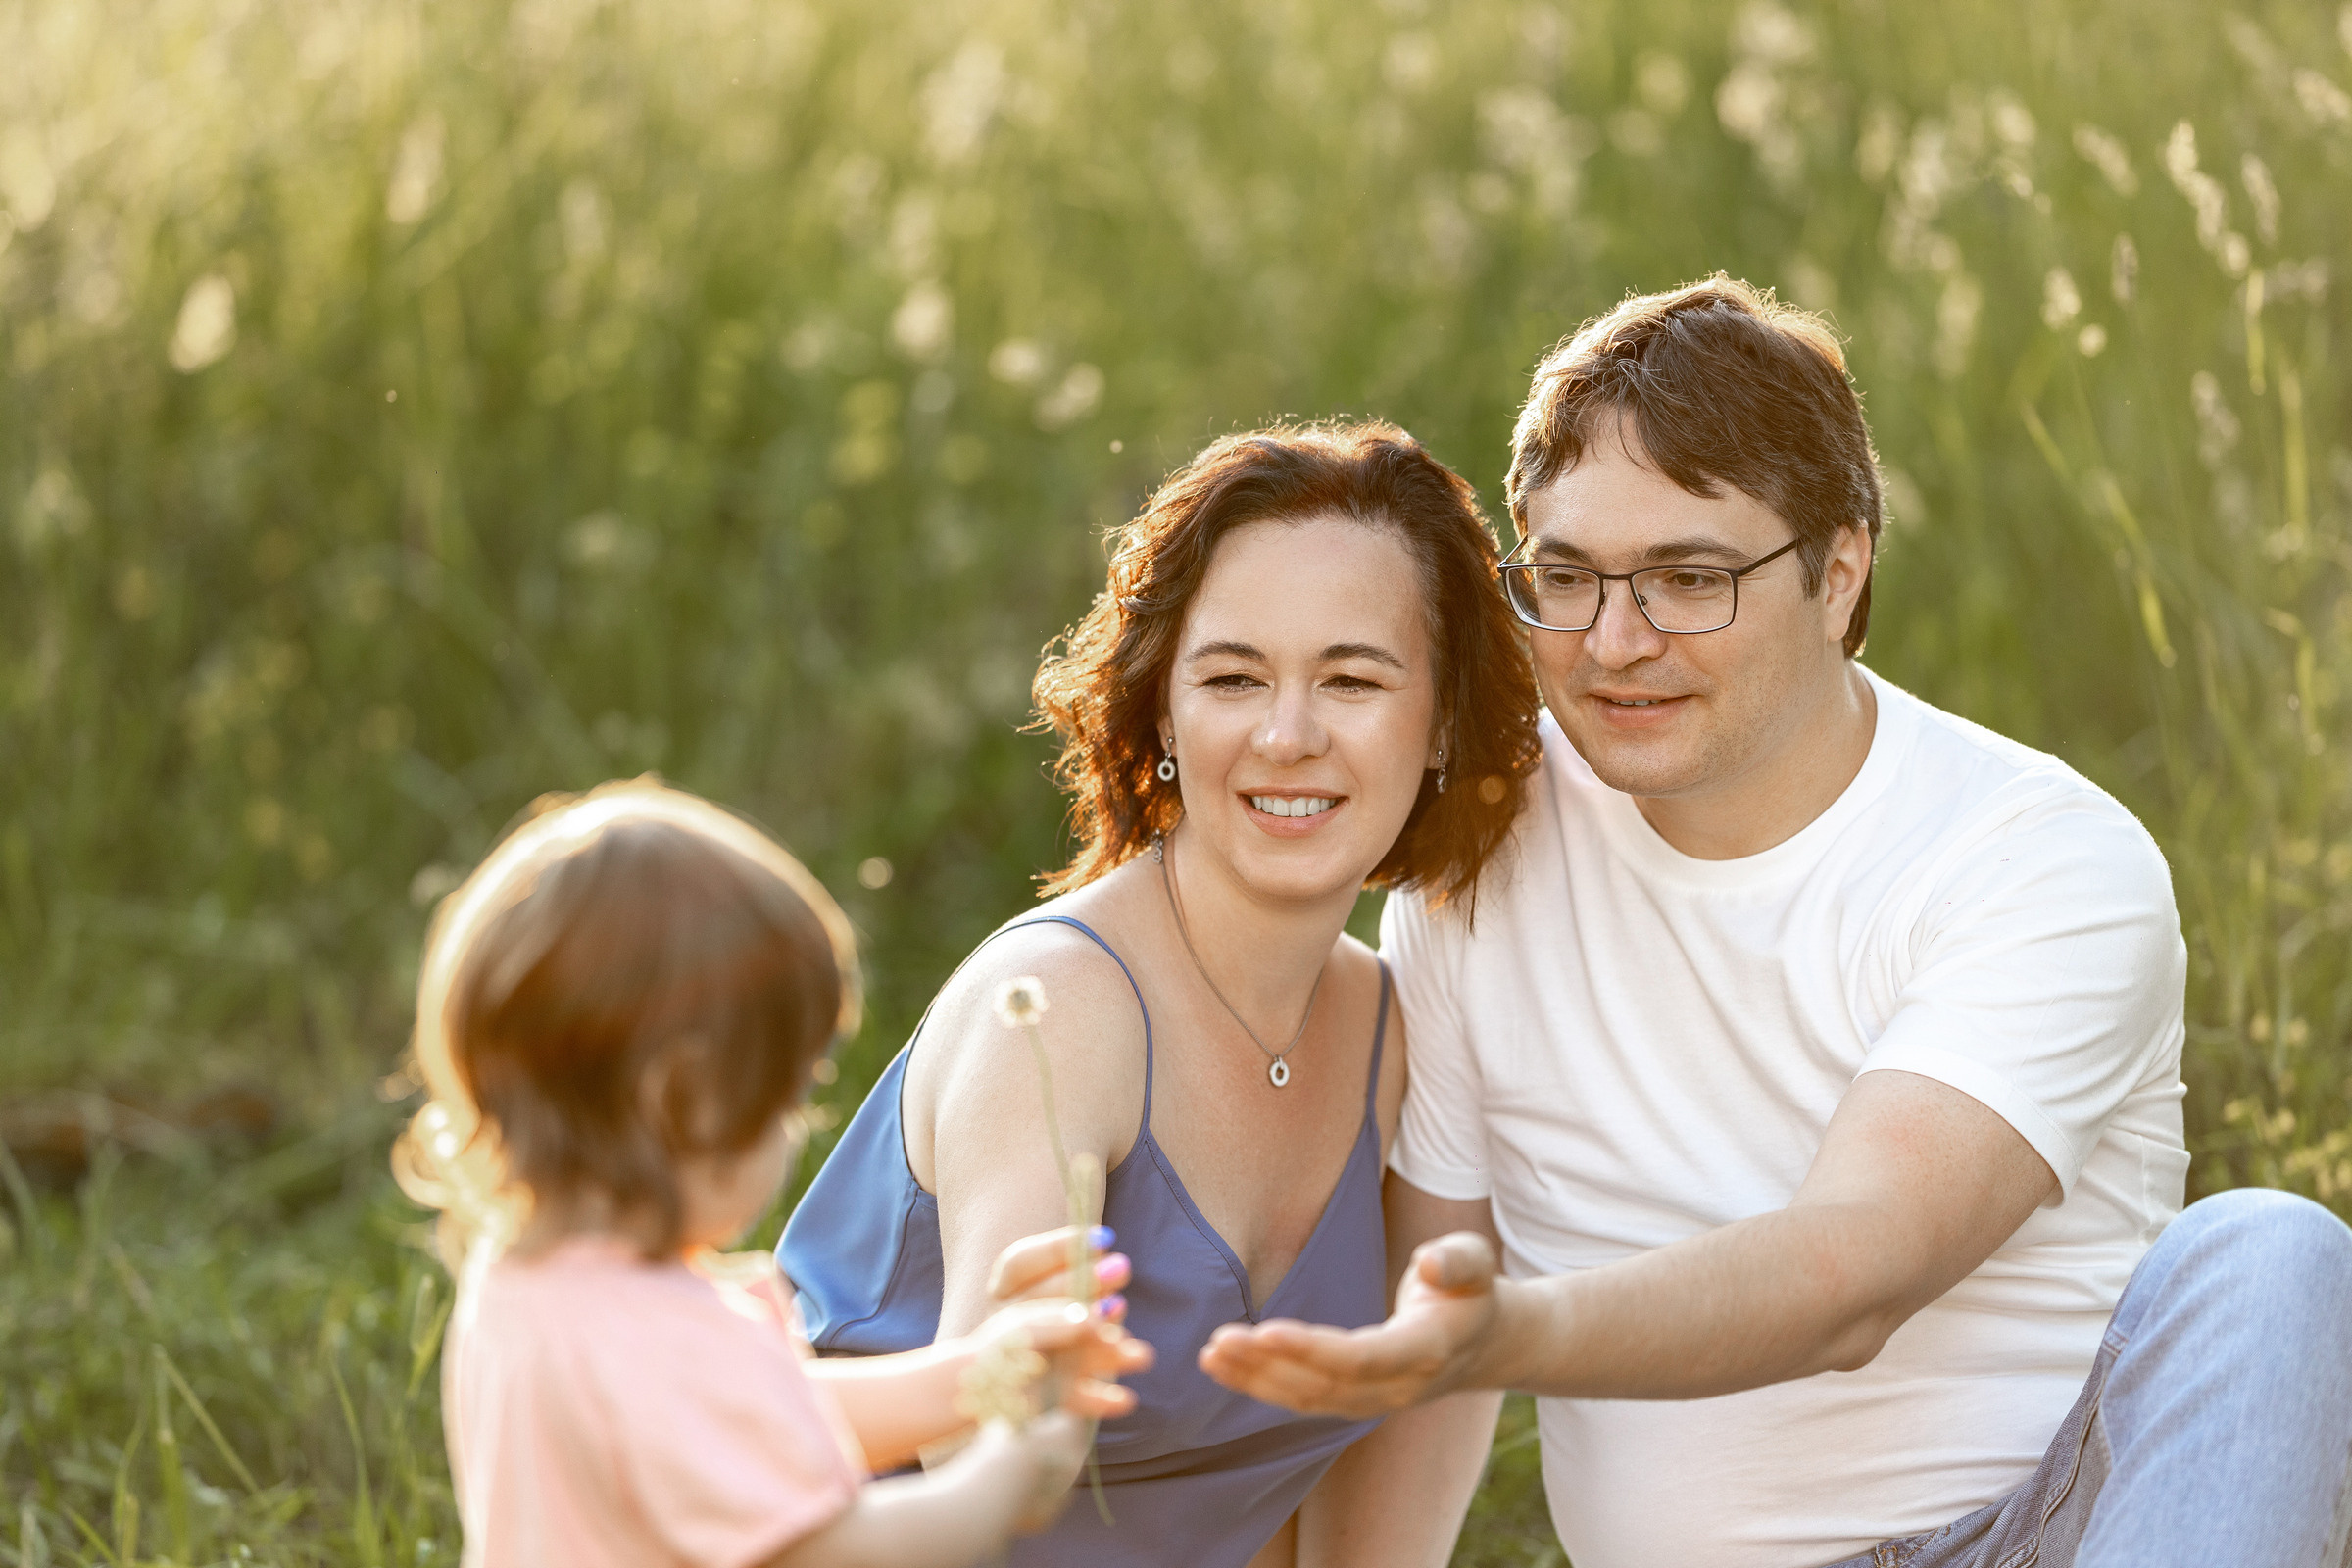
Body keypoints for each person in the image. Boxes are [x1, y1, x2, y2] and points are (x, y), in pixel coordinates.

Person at [1200, 277, 2352, 1568]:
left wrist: (1511, 1334)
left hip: (2055, 1538)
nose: (1613, 641)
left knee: (2272, 1254)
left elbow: (1852, 1267)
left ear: (1839, 574)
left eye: (1688, 578)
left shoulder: (2038, 857)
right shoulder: (1482, 844)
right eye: (1567, 577)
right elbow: (1435, 1324)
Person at [778, 422, 1543, 1567]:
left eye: (1352, 677)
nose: (1288, 735)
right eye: (1233, 678)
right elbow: (982, 1476)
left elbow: (1402, 1409)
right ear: (1166, 716)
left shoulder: (1396, 1032)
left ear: (1439, 722)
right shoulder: (1058, 1008)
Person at [393, 779, 1150, 1568]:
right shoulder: (665, 1338)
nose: (793, 1135)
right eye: (787, 1100)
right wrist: (1005, 1476)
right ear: (680, 1100)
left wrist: (968, 1375)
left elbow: (758, 1417)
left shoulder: (530, 1288)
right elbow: (839, 1550)